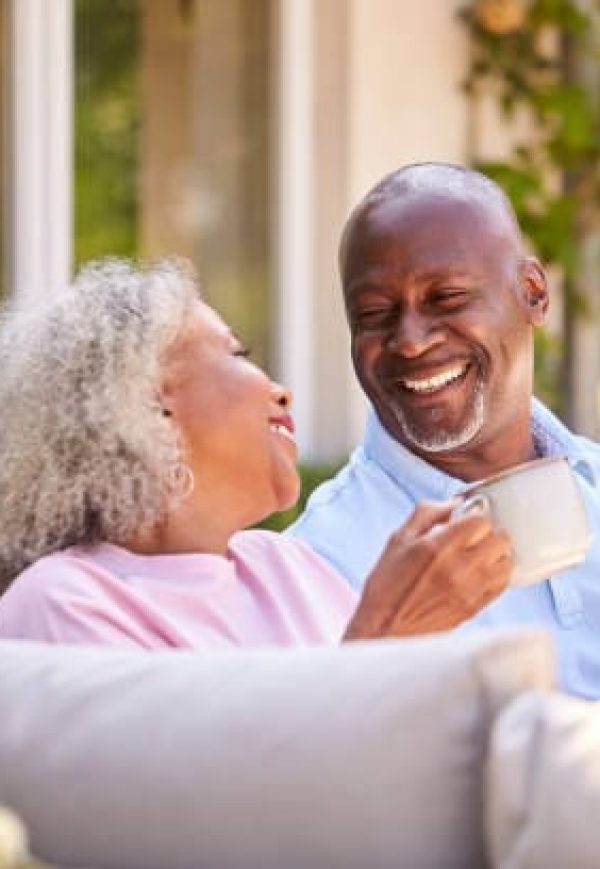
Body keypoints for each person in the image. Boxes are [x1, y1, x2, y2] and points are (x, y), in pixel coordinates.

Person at [0, 259, 511, 649]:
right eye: (237, 354)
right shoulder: (66, 602)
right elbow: (197, 790)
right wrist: (389, 636)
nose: (281, 391)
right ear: (145, 404)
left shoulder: (287, 567)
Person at [289, 162, 600, 698]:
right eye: (375, 314)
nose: (410, 341)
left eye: (448, 299)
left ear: (532, 293)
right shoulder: (323, 560)